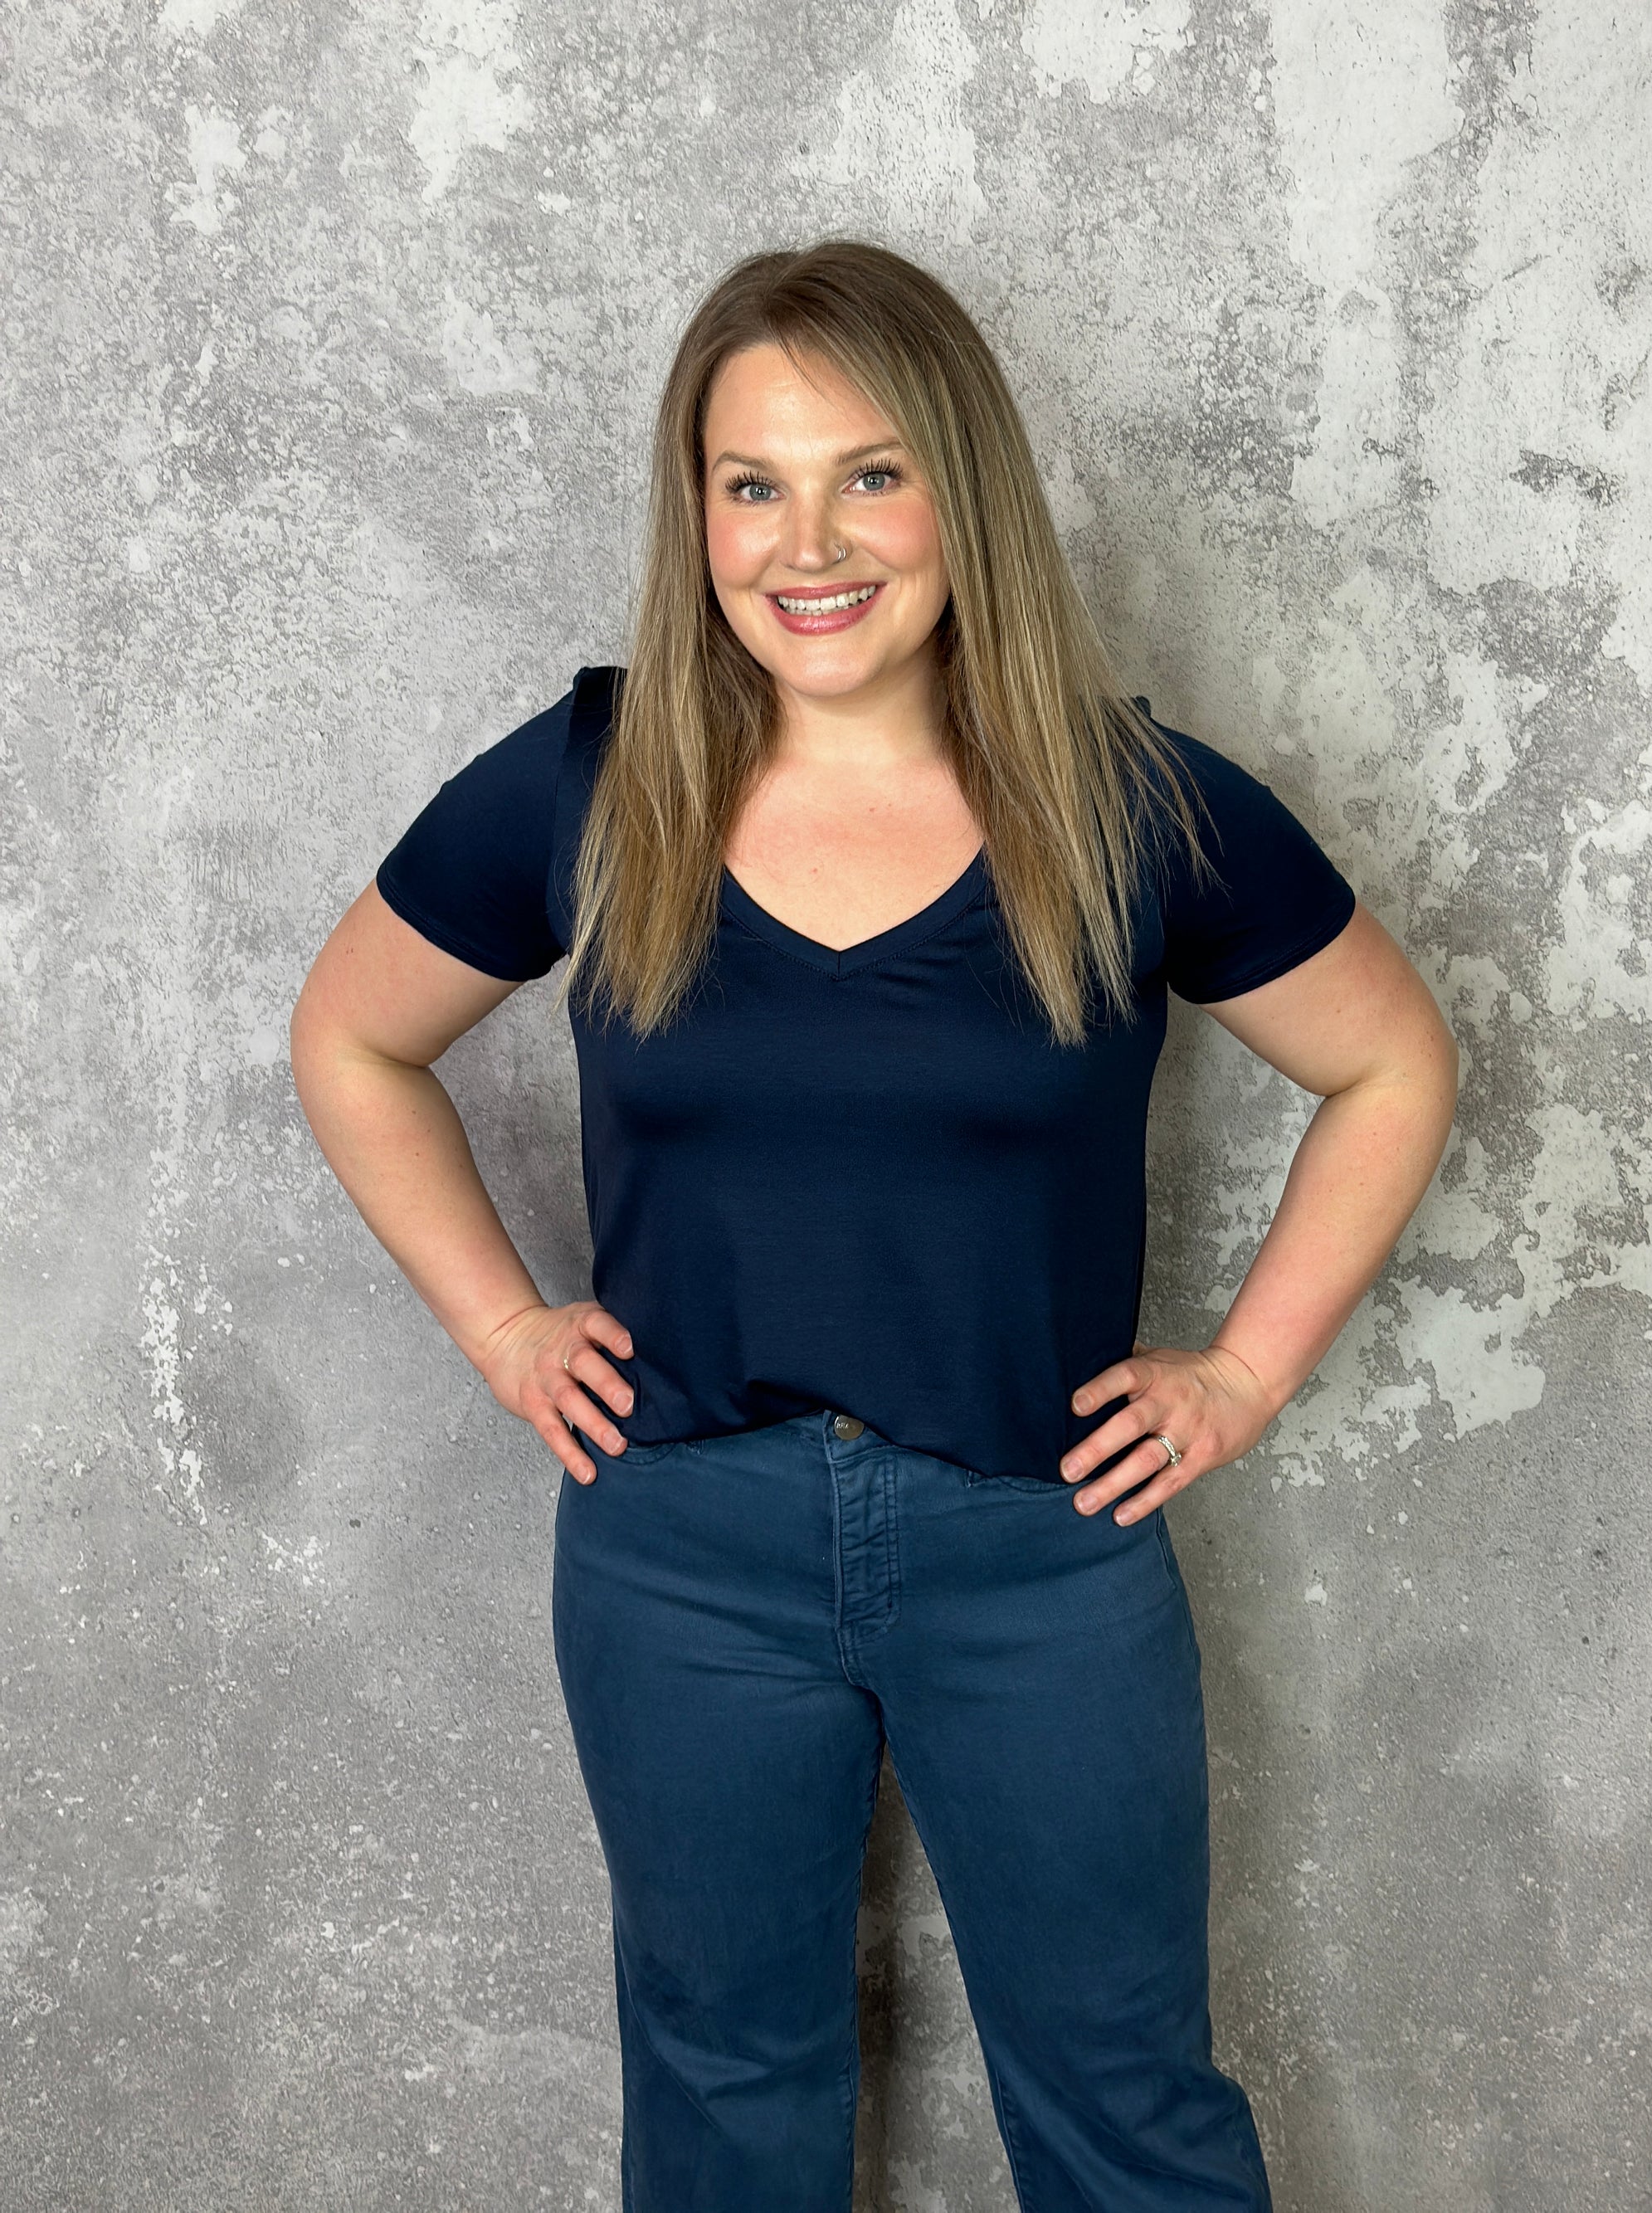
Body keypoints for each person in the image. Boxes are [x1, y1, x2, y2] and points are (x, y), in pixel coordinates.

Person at [290, 237, 1459, 2212]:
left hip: (1038, 1540)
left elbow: (1393, 1062)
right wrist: (504, 1325)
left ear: (961, 492)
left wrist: (1245, 1370)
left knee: (1121, 2089)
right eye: (751, 482)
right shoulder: (591, 784)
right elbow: (350, 1035)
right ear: (695, 513)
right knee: (725, 2075)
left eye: (871, 474)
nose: (806, 541)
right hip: (682, 1545)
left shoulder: (1129, 804)